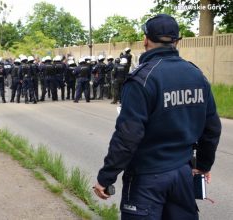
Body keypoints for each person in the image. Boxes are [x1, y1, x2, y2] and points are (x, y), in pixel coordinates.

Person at [94, 14, 221, 220]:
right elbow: (212, 128)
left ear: (145, 39)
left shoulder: (141, 79)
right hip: (183, 174)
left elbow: (128, 136)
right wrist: (203, 166)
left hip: (146, 179)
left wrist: (106, 177)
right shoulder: (196, 75)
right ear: (177, 41)